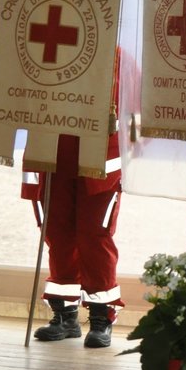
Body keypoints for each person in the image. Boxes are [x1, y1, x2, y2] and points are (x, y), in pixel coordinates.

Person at [24, 48, 126, 349]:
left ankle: (100, 315)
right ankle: (64, 313)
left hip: (99, 161)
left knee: (95, 235)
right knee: (58, 233)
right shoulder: (45, 47)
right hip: (53, 153)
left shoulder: (115, 53)